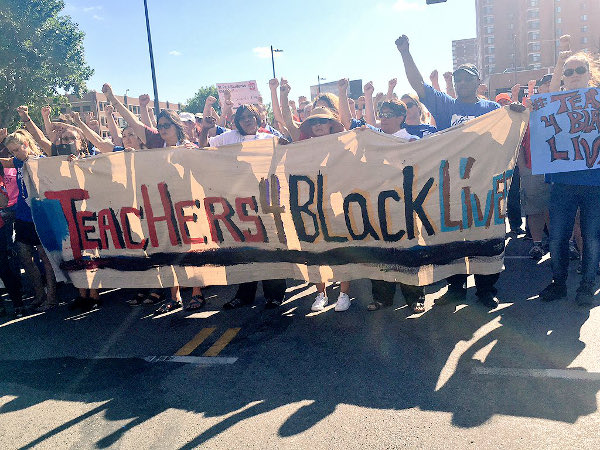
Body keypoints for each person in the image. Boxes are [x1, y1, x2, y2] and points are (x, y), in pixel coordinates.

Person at [396, 34, 503, 309]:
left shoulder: (492, 109)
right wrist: (405, 52)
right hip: (451, 183)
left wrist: (515, 110)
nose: (463, 83)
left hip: (482, 184)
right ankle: (455, 288)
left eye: (468, 79)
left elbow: (509, 131)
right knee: (452, 239)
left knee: (482, 237)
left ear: (478, 83)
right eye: (459, 80)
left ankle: (485, 290)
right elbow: (418, 85)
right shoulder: (446, 105)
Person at [102, 83, 206, 314]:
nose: (162, 130)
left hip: (187, 204)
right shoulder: (155, 142)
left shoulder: (188, 146)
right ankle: (174, 295)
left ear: (177, 126)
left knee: (191, 249)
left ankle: (197, 293)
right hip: (161, 205)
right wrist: (111, 98)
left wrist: (192, 154)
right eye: (159, 126)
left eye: (166, 126)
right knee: (167, 249)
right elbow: (134, 121)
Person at [198, 104, 287, 310]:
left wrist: (285, 144)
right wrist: (204, 130)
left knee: (269, 248)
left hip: (265, 199)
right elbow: (203, 149)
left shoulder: (267, 139)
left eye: (251, 117)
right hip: (238, 203)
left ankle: (274, 294)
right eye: (243, 117)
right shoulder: (228, 138)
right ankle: (244, 295)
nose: (247, 120)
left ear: (258, 119)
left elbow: (290, 150)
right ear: (237, 122)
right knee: (243, 250)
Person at [538, 45, 600, 307]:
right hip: (562, 182)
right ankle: (559, 282)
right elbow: (548, 98)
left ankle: (587, 285)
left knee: (592, 236)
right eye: (569, 71)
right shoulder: (554, 101)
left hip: (594, 183)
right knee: (557, 236)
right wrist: (560, 60)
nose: (574, 74)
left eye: (579, 69)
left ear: (589, 74)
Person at [296, 106, 352, 312]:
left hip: (339, 203)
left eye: (322, 120)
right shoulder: (302, 147)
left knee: (342, 251)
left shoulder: (343, 143)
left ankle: (344, 294)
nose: (318, 125)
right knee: (316, 250)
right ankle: (321, 293)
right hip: (312, 205)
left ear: (331, 123)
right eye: (313, 122)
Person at [0, 129, 56, 312]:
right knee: (24, 257)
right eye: (12, 151)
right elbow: (6, 161)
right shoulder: (17, 161)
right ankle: (38, 293)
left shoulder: (40, 161)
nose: (14, 154)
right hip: (22, 216)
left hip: (40, 216)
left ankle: (51, 297)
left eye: (16, 149)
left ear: (26, 144)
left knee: (46, 259)